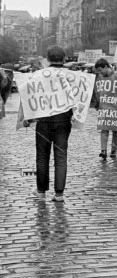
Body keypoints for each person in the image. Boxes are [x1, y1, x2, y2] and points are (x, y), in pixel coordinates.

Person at [24, 46, 73, 203]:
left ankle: (41, 193)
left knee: (42, 156)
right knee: (61, 155)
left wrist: (27, 117)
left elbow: (29, 95)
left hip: (43, 120)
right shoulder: (72, 76)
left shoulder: (38, 75)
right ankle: (59, 194)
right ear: (64, 58)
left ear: (48, 59)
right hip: (63, 120)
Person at [94, 58, 117, 160]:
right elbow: (96, 91)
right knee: (104, 128)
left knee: (116, 130)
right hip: (104, 107)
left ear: (106, 67)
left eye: (101, 70)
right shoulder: (99, 78)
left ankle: (114, 151)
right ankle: (103, 150)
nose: (100, 73)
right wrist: (97, 103)